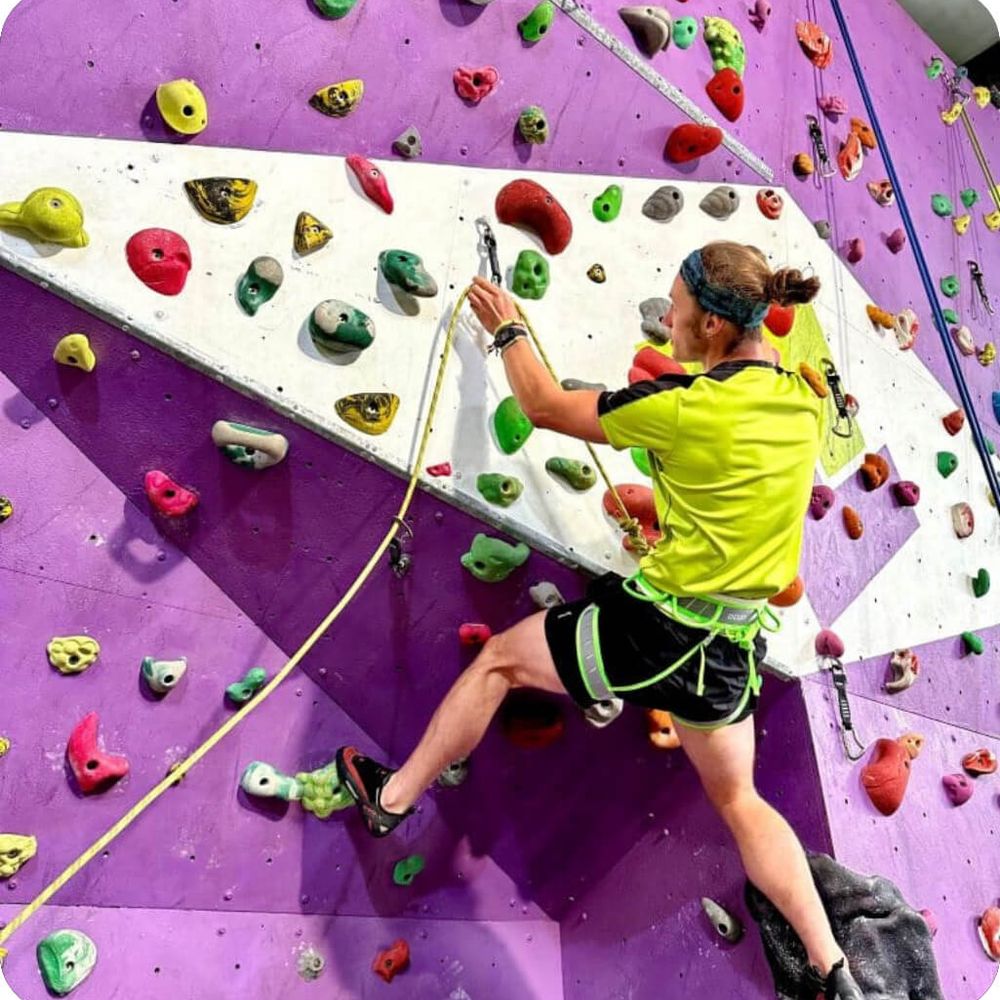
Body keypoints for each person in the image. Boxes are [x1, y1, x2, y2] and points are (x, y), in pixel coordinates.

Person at [336, 241, 863, 1000]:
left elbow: (545, 407)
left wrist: (511, 330)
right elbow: (739, 490)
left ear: (715, 326)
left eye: (679, 313)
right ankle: (832, 969)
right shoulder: (801, 403)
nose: (668, 323)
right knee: (741, 801)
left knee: (499, 664)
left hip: (658, 630)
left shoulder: (683, 409)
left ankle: (390, 800)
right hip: (730, 651)